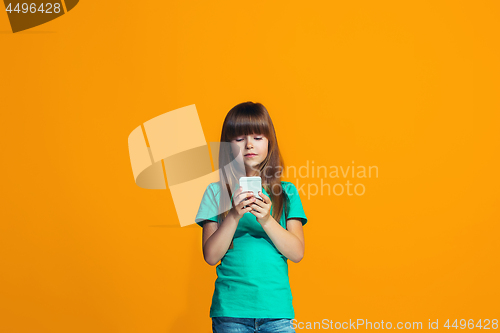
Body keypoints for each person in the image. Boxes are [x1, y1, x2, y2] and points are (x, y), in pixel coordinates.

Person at [195, 101, 308, 333]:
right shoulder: (215, 192)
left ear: (269, 142)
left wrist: (266, 220)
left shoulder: (286, 192)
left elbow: (297, 253)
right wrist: (234, 215)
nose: (249, 145)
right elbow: (210, 255)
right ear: (228, 145)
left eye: (257, 137)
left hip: (276, 311)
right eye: (239, 139)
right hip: (230, 312)